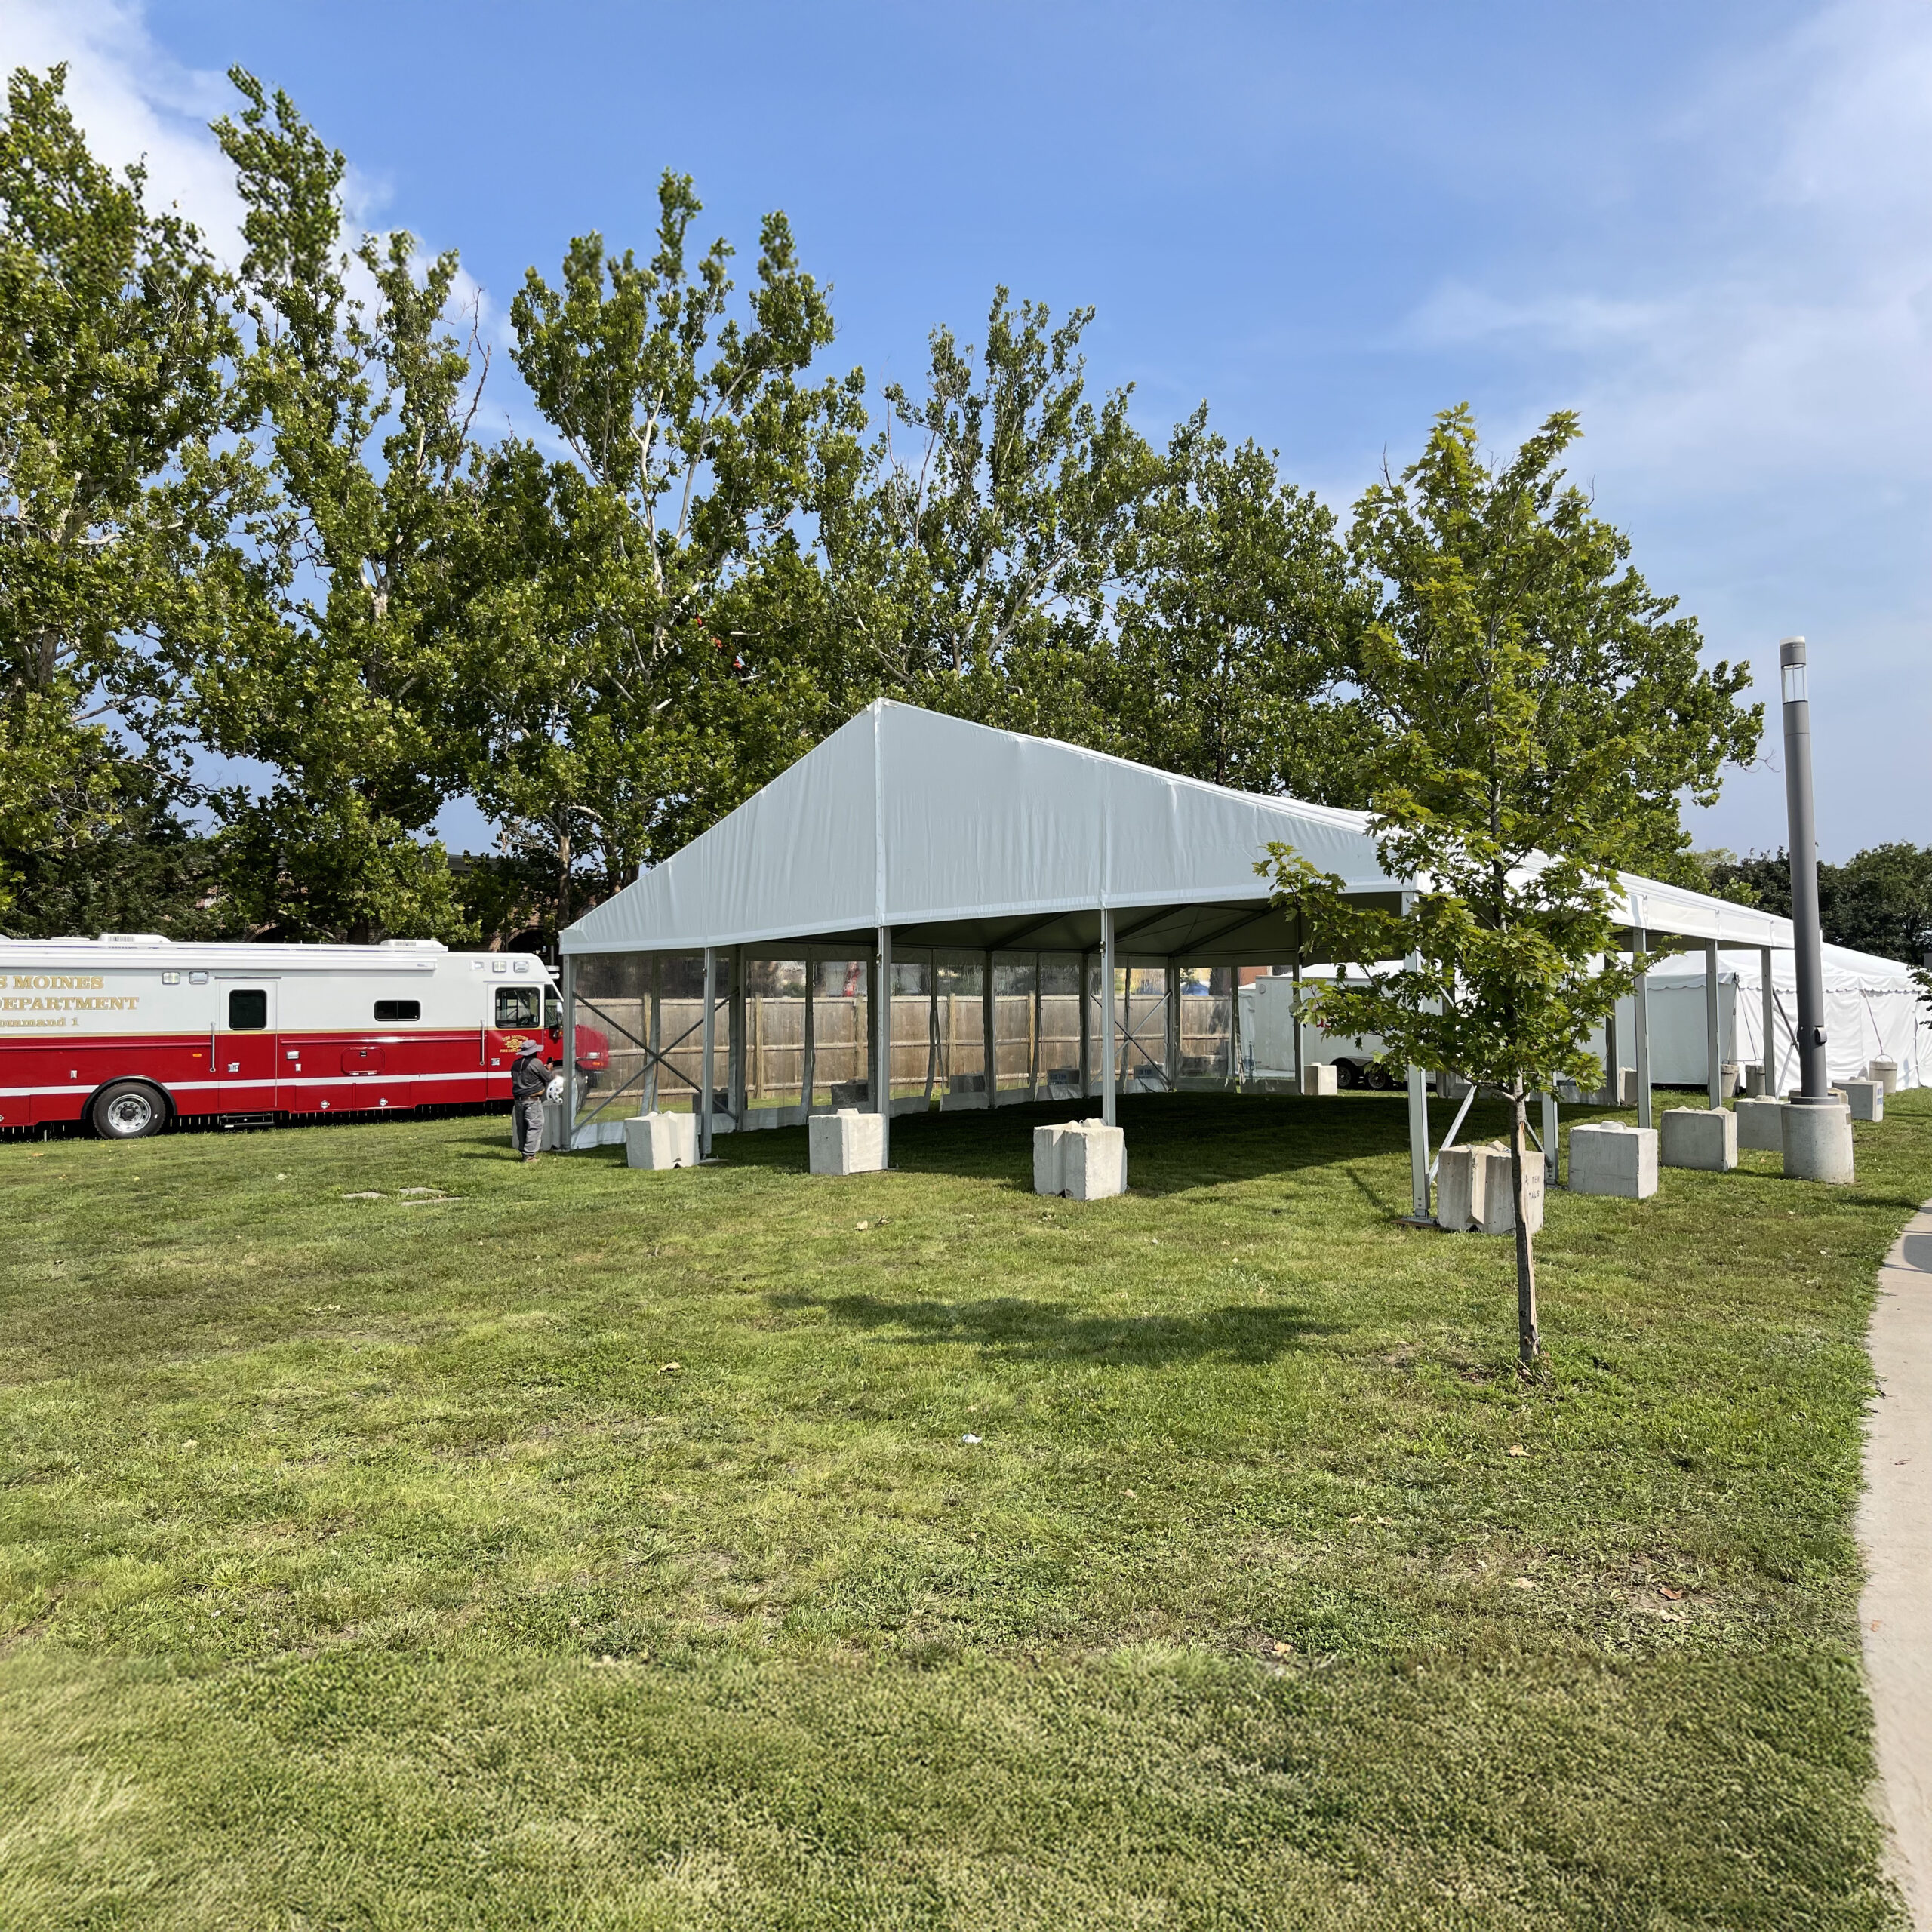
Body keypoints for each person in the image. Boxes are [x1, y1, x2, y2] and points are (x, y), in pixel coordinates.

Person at [509, 1038, 551, 1161]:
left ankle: (524, 1152)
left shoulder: (515, 1064)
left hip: (518, 1100)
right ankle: (529, 1155)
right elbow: (548, 1077)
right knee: (535, 1126)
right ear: (534, 1052)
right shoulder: (537, 1063)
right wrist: (548, 1069)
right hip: (532, 1100)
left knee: (522, 1127)